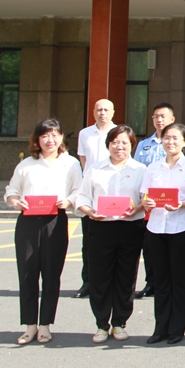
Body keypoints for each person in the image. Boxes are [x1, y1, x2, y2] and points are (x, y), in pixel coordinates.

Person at [5, 119, 83, 345]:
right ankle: (30, 326)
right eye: (45, 136)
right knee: (27, 274)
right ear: (37, 140)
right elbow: (12, 191)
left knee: (51, 274)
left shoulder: (71, 163)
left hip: (55, 222)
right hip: (28, 223)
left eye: (55, 135)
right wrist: (15, 201)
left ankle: (46, 325)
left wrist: (68, 201)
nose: (50, 140)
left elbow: (79, 190)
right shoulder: (26, 164)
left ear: (61, 138)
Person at [74, 125, 146, 343]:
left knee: (126, 277)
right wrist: (89, 212)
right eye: (115, 142)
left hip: (130, 227)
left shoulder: (141, 170)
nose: (119, 147)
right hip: (101, 227)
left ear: (131, 145)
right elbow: (82, 197)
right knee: (100, 277)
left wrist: (138, 208)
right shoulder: (95, 169)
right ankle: (101, 324)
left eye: (124, 143)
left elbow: (146, 198)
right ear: (108, 145)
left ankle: (119, 323)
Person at [140, 123, 185, 345]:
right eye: (167, 138)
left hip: (180, 229)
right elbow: (145, 196)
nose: (170, 142)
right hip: (156, 228)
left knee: (178, 280)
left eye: (175, 138)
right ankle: (160, 328)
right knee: (160, 280)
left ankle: (177, 328)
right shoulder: (153, 168)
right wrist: (146, 202)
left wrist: (182, 205)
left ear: (184, 142)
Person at [133, 102, 177, 299]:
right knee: (150, 246)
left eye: (163, 116)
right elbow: (137, 172)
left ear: (172, 119)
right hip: (149, 202)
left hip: (171, 203)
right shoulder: (144, 145)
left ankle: (168, 282)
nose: (159, 120)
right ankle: (151, 282)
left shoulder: (178, 142)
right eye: (156, 117)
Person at [74, 99, 117, 299]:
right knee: (89, 241)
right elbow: (84, 161)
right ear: (93, 112)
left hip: (114, 191)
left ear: (113, 112)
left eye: (106, 110)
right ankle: (88, 282)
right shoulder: (85, 134)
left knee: (114, 240)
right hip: (92, 191)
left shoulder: (119, 133)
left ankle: (112, 282)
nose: (102, 113)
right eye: (99, 109)